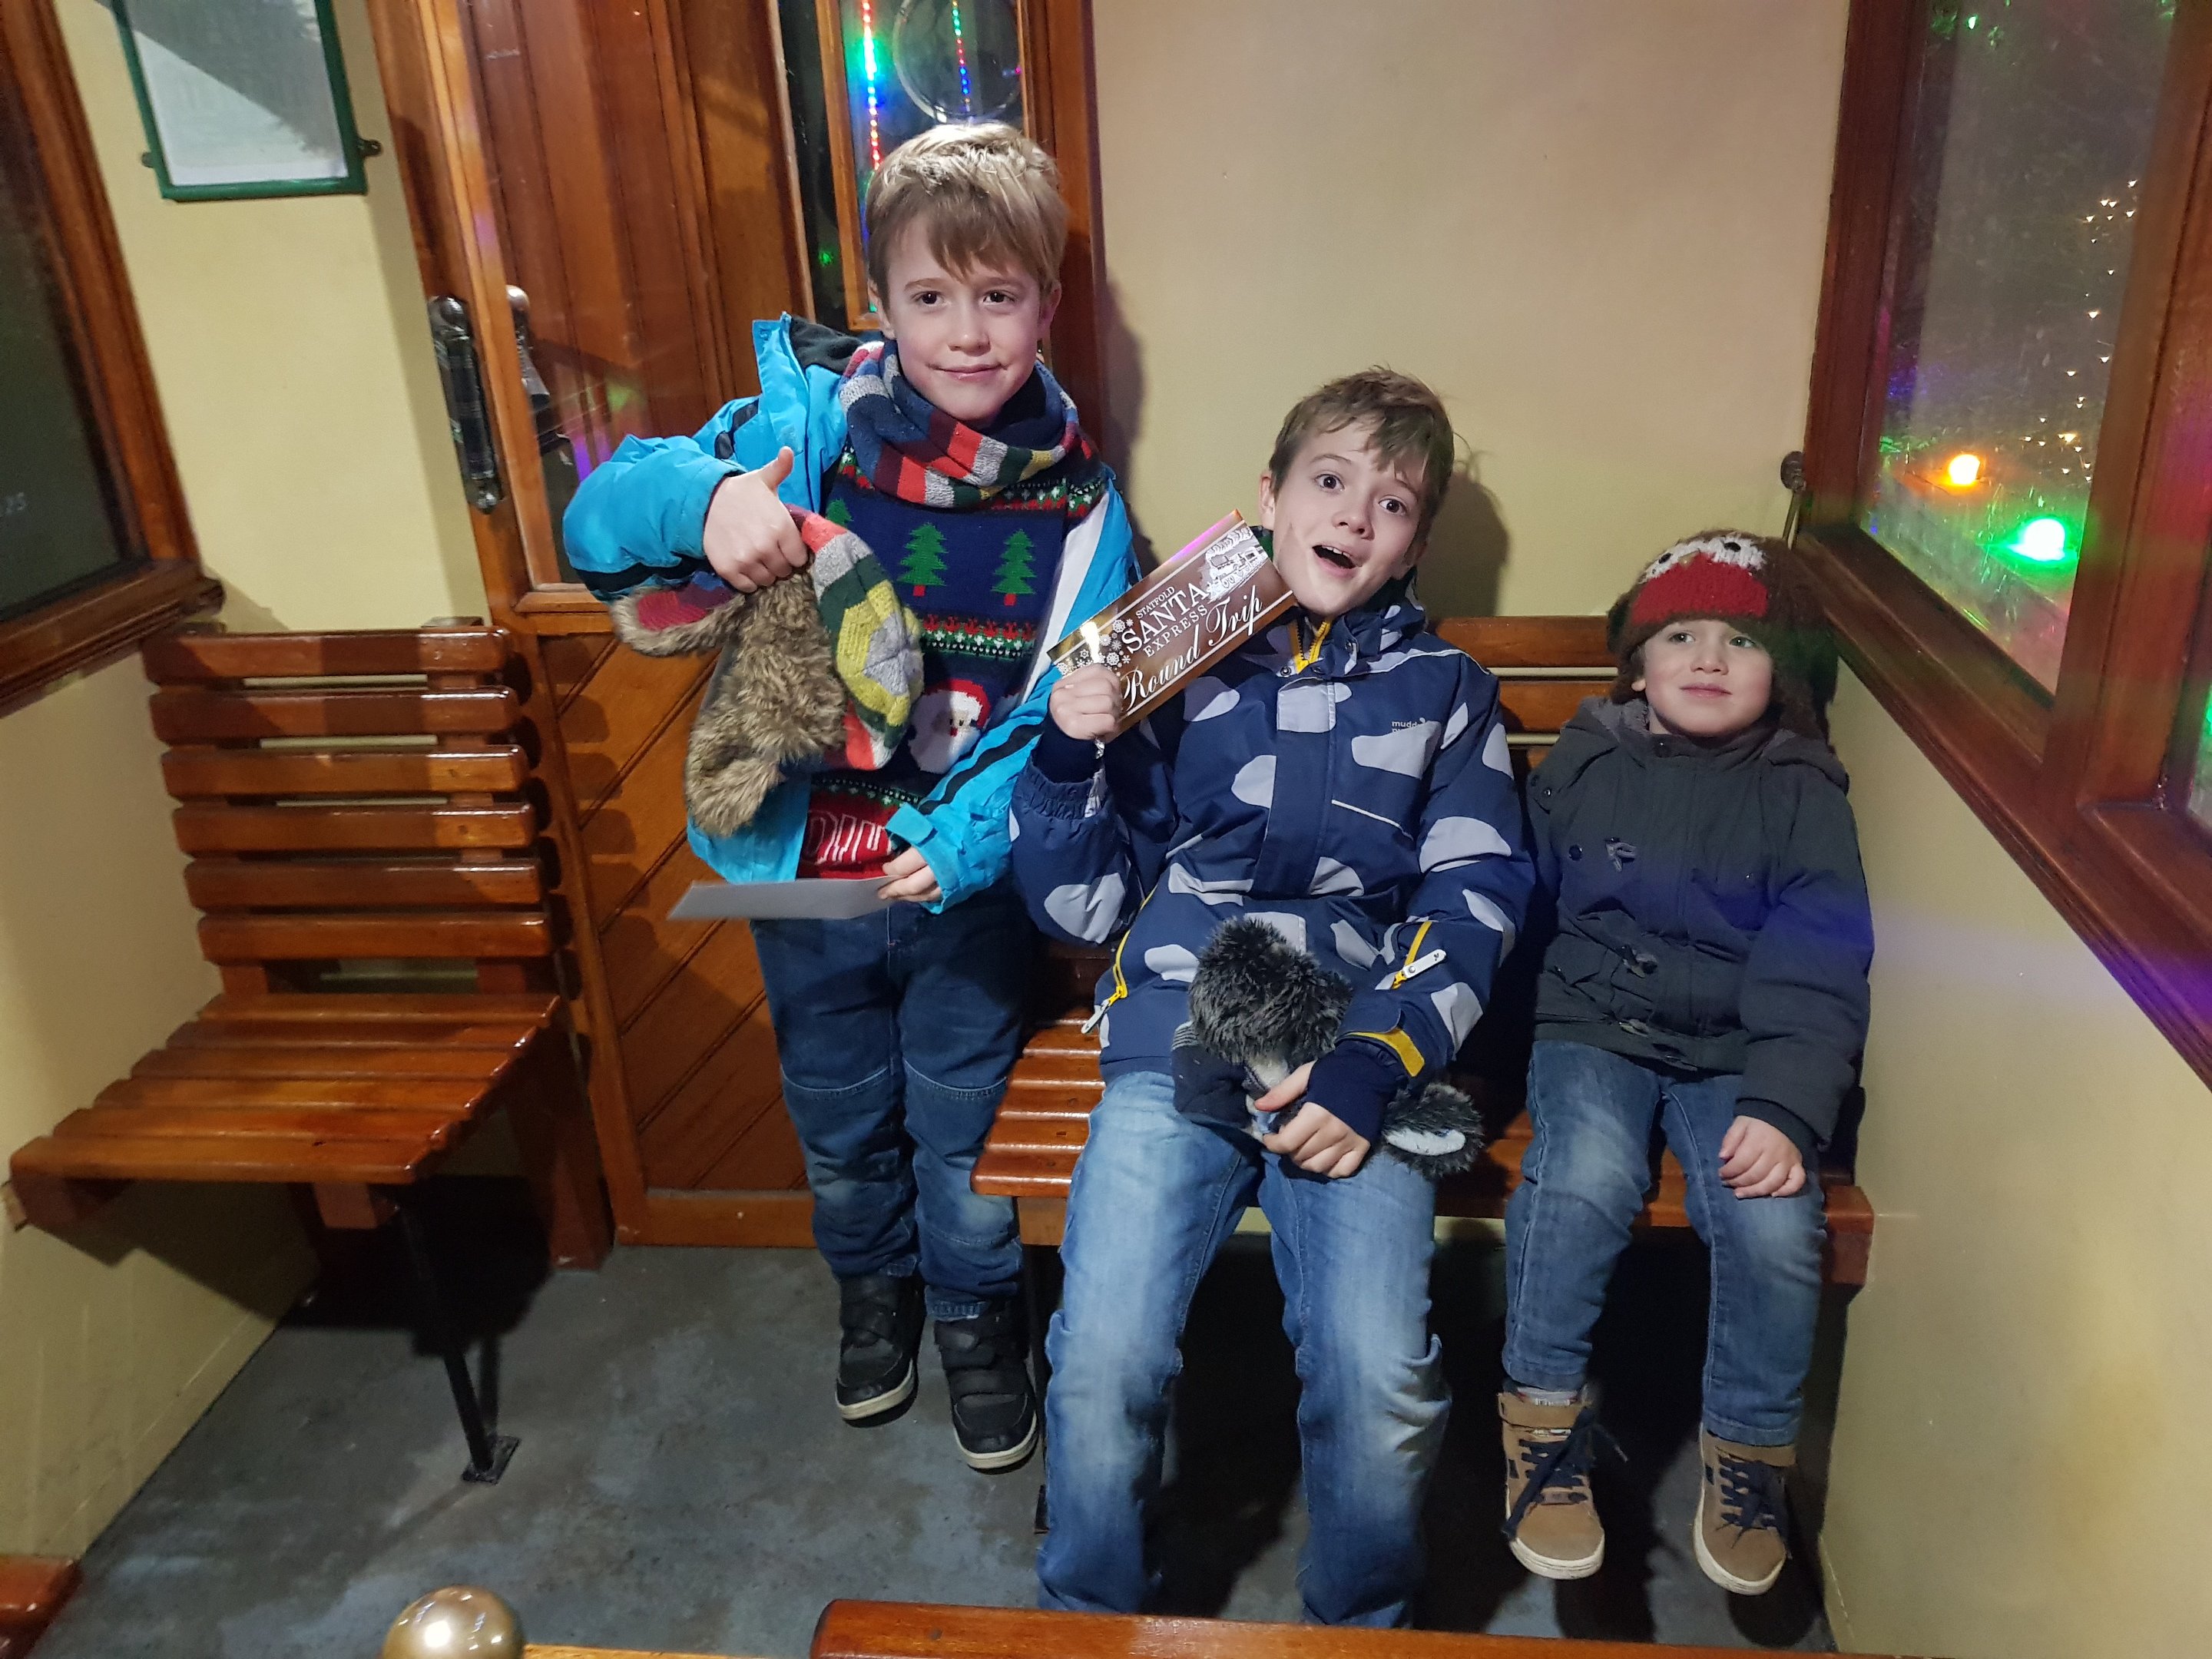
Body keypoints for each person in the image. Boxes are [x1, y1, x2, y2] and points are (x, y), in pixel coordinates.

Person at [562, 122, 1137, 1472]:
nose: (967, 332)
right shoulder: (805, 430)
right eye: (930, 295)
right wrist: (706, 501)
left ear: (1046, 306)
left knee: (960, 1116)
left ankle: (978, 1316)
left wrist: (970, 842)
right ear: (880, 303)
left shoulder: (1083, 506)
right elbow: (600, 522)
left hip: (956, 885)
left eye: (998, 296)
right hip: (804, 867)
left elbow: (1066, 705)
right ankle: (873, 1291)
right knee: (836, 1108)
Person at [1009, 369, 1534, 1624]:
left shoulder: (1448, 692)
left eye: (1392, 502)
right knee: (1103, 1357)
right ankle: (1086, 1621)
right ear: (1271, 495)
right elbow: (1080, 912)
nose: (1354, 515)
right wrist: (1068, 753)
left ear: (1415, 541)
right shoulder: (1174, 655)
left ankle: (1362, 1624)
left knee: (1378, 1373)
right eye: (1330, 480)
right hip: (1176, 1038)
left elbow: (1476, 896)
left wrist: (1374, 1065)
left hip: (1351, 1057)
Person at [1498, 531, 1873, 1596]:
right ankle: (1540, 1420)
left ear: (1779, 671)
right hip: (1591, 1028)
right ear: (1638, 664)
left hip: (1739, 1053)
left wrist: (1787, 1106)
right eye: (1681, 636)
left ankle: (1750, 1452)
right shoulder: (1587, 758)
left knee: (1772, 1214)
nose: (1708, 659)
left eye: (1741, 640)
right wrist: (1477, 1054)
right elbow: (1521, 899)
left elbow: (1818, 958)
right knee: (1582, 1177)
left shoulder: (1801, 789)